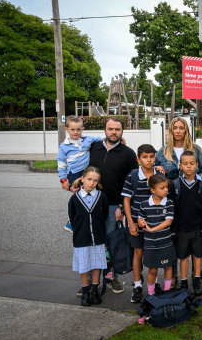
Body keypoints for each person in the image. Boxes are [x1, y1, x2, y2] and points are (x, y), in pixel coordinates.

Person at [88, 117, 138, 295]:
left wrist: (122, 207)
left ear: (122, 131)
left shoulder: (128, 153)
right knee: (91, 243)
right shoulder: (93, 148)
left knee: (111, 244)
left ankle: (111, 277)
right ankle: (90, 282)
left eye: (117, 129)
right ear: (104, 130)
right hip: (90, 205)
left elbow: (132, 183)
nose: (113, 132)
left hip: (113, 207)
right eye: (110, 129)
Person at [122, 144, 163, 303]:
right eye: (145, 157)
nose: (149, 160)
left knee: (154, 253)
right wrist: (131, 223)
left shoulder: (159, 174)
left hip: (155, 224)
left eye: (152, 157)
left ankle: (155, 283)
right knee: (138, 253)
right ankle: (138, 285)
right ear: (139, 159)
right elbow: (126, 200)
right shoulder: (132, 175)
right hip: (137, 224)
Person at [68, 166, 109, 306]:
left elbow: (104, 215)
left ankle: (95, 292)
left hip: (98, 238)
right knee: (84, 266)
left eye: (95, 181)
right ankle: (85, 293)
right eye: (89, 179)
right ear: (83, 179)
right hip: (81, 239)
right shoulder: (74, 199)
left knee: (97, 265)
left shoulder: (102, 197)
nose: (91, 183)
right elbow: (73, 218)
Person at [169, 150, 202, 296]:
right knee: (183, 257)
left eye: (192, 164)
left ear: (197, 165)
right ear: (180, 165)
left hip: (197, 228)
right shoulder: (175, 185)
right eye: (185, 164)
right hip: (182, 229)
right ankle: (183, 281)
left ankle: (197, 280)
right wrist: (174, 230)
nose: (189, 166)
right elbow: (172, 209)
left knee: (197, 255)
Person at [58, 115, 102, 233]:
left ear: (83, 129)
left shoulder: (88, 139)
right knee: (79, 197)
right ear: (67, 129)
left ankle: (84, 222)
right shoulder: (64, 146)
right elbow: (61, 164)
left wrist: (120, 140)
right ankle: (71, 222)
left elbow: (103, 139)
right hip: (74, 175)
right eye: (72, 129)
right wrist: (63, 180)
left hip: (87, 174)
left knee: (89, 197)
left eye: (78, 129)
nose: (76, 132)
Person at [137, 175, 176, 296]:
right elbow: (140, 218)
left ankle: (167, 292)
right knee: (152, 270)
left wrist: (152, 229)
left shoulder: (169, 202)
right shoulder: (144, 204)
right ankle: (151, 295)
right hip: (150, 244)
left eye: (167, 187)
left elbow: (168, 221)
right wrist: (141, 222)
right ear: (153, 190)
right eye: (162, 188)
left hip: (165, 242)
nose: (166, 190)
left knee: (168, 267)